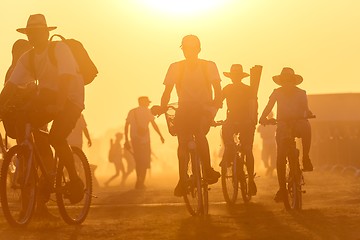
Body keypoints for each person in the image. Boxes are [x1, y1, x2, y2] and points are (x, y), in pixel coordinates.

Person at [0, 14, 86, 213]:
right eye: (30, 33)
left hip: (71, 98)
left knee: (56, 137)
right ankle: (37, 167)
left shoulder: (59, 49)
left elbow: (65, 78)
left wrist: (58, 104)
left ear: (46, 33)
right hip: (46, 96)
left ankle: (74, 180)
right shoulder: (27, 57)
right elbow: (11, 86)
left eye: (37, 33)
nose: (33, 37)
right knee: (24, 121)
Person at [160, 34, 222, 197]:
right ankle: (183, 178)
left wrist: (216, 102)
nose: (190, 51)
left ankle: (207, 170)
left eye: (193, 48)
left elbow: (217, 88)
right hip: (185, 109)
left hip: (204, 108)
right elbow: (167, 91)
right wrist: (162, 106)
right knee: (182, 142)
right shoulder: (176, 67)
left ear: (199, 49)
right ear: (183, 50)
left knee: (200, 133)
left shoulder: (209, 66)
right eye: (187, 48)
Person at [259, 67, 314, 202]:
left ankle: (306, 157)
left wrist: (308, 113)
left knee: (307, 127)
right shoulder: (277, 93)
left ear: (293, 81)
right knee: (280, 157)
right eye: (285, 81)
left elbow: (305, 108)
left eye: (289, 80)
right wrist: (263, 117)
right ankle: (282, 189)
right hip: (283, 125)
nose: (287, 83)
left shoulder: (301, 93)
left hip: (298, 123)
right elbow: (269, 106)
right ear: (282, 81)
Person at [220, 64, 258, 196]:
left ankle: (251, 180)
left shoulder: (248, 90)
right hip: (234, 120)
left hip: (245, 122)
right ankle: (229, 151)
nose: (234, 78)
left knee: (247, 149)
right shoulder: (228, 89)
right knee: (227, 136)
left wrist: (252, 120)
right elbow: (218, 102)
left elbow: (253, 105)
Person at [124, 96, 164, 190]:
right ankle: (141, 182)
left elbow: (126, 126)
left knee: (138, 161)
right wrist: (160, 135)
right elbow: (154, 125)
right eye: (148, 102)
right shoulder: (148, 111)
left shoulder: (132, 111)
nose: (149, 104)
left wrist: (126, 139)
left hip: (134, 139)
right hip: (145, 140)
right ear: (144, 102)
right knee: (145, 161)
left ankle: (139, 180)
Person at [257, 111, 277, 176]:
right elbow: (258, 130)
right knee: (267, 157)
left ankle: (270, 168)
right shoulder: (273, 124)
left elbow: (258, 130)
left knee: (269, 157)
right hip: (268, 142)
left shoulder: (273, 124)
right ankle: (269, 168)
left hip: (270, 142)